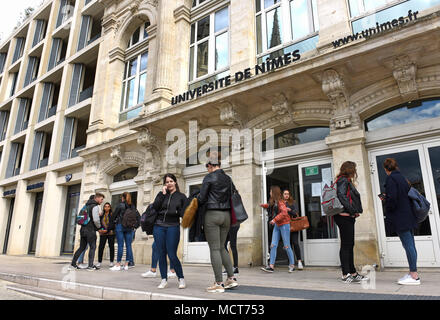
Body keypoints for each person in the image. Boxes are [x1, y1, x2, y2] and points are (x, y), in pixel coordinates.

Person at [198, 152, 238, 293]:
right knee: (222, 247)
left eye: (207, 167)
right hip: (226, 215)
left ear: (210, 165)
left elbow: (202, 198)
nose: (207, 169)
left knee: (215, 248)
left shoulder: (209, 177)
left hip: (212, 215)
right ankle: (231, 279)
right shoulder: (228, 178)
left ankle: (218, 283)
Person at [382, 158, 420, 285]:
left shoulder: (391, 178)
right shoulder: (403, 178)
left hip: (400, 217)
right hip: (408, 215)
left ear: (386, 169)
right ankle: (412, 273)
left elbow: (393, 199)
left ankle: (414, 275)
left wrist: (386, 202)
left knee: (408, 245)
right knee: (411, 245)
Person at [334, 161, 367, 283]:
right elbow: (342, 196)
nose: (355, 171)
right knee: (346, 245)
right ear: (350, 170)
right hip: (344, 216)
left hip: (346, 216)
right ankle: (345, 274)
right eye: (354, 169)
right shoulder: (343, 180)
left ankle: (352, 272)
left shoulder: (342, 180)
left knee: (349, 244)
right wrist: (352, 211)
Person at [152, 174, 187, 289]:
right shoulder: (161, 194)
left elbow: (184, 213)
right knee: (161, 254)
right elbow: (155, 207)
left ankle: (181, 278)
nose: (169, 183)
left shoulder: (181, 196)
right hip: (159, 226)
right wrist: (162, 194)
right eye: (167, 182)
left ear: (175, 182)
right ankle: (163, 279)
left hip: (173, 226)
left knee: (172, 254)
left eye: (171, 181)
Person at [260, 186, 295, 273]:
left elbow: (284, 212)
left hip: (284, 225)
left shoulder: (280, 202)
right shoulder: (275, 201)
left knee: (287, 245)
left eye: (271, 191)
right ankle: (271, 266)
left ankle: (292, 265)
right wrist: (262, 205)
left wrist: (274, 220)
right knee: (273, 245)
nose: (269, 193)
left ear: (274, 192)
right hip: (278, 225)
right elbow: (270, 206)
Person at [70, 193, 105, 271]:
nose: (102, 201)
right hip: (90, 230)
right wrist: (99, 227)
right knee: (92, 247)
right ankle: (90, 266)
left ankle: (73, 264)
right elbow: (96, 219)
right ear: (97, 198)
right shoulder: (95, 206)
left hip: (83, 229)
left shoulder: (86, 205)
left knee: (82, 247)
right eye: (101, 199)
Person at [110, 192, 136, 271]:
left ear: (122, 198)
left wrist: (111, 225)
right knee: (128, 246)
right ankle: (126, 265)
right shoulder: (132, 206)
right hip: (129, 227)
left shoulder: (120, 205)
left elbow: (114, 216)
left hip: (120, 226)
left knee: (120, 245)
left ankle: (118, 264)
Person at [283, 189, 303, 270]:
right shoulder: (281, 203)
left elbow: (296, 213)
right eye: (285, 194)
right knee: (288, 245)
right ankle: (291, 263)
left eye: (288, 194)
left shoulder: (293, 202)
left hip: (293, 225)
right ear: (283, 195)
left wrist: (290, 210)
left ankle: (299, 261)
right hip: (284, 226)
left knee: (295, 243)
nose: (286, 195)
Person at [97, 202, 115, 268]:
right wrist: (99, 230)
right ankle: (99, 261)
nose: (106, 208)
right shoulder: (101, 214)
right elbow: (98, 222)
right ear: (104, 207)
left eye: (108, 206)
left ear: (110, 208)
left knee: (111, 247)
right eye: (105, 206)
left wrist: (107, 230)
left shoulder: (112, 214)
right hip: (103, 233)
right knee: (101, 247)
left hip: (110, 233)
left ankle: (111, 261)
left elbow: (113, 224)